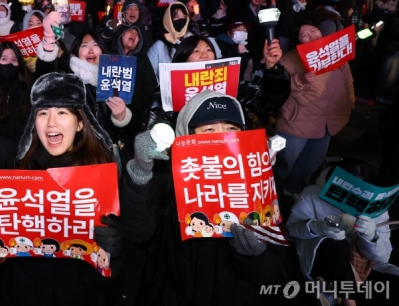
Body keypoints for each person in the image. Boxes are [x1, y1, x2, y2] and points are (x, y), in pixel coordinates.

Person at [0, 48, 121, 305]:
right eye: (43, 113)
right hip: (17, 293)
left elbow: (107, 277)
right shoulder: (18, 162)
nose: (51, 123)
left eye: (62, 112)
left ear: (80, 123)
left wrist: (113, 250)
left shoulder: (101, 175)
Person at [119, 90, 289, 305]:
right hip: (172, 294)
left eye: (231, 129)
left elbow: (272, 274)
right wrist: (141, 172)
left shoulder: (262, 185)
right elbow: (137, 233)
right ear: (187, 136)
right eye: (208, 129)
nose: (222, 138)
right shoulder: (168, 176)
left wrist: (253, 255)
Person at [287, 160, 391, 305]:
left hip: (358, 266)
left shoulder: (376, 208)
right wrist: (317, 227)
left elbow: (384, 257)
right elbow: (292, 229)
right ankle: (349, 301)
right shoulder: (313, 193)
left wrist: (371, 236)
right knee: (336, 243)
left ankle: (347, 296)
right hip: (322, 258)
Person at [274, 21, 354, 195]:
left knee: (310, 163)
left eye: (313, 30)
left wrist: (349, 103)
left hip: (326, 122)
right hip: (296, 123)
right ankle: (271, 196)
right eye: (304, 35)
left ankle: (293, 192)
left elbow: (347, 82)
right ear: (297, 41)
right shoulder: (288, 60)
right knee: (282, 163)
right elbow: (278, 90)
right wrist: (301, 79)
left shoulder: (335, 53)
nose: (310, 36)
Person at [171, 35, 290, 127]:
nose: (204, 55)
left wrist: (272, 66)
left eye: (208, 50)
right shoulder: (169, 89)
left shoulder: (231, 84)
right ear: (183, 58)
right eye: (196, 51)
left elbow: (267, 101)